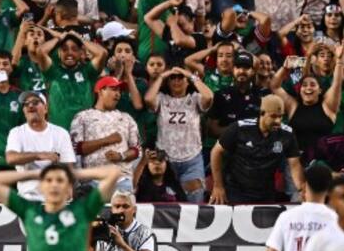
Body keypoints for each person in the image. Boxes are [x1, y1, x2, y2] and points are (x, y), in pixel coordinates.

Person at [210, 95, 304, 204]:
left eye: (281, 116)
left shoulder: (287, 134)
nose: (278, 121)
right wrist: (218, 186)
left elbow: (295, 165)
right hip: (236, 191)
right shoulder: (239, 128)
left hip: (266, 193)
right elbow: (216, 152)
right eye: (273, 116)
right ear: (262, 114)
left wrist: (301, 190)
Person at [144, 66, 214, 203]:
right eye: (173, 78)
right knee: (165, 203)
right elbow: (148, 99)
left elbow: (209, 96)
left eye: (180, 78)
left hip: (192, 160)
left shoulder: (195, 99)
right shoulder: (161, 99)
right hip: (165, 161)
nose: (177, 81)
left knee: (195, 202)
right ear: (168, 82)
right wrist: (162, 76)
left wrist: (190, 75)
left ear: (187, 81)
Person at [69, 75, 141, 190]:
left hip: (121, 179)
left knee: (123, 208)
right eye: (113, 89)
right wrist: (106, 140)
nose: (118, 94)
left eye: (119, 91)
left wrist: (121, 156)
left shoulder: (126, 118)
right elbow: (76, 148)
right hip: (92, 180)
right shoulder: (82, 116)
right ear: (100, 91)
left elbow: (136, 150)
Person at [5, 91, 76, 201]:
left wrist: (68, 196)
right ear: (23, 111)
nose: (30, 106)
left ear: (46, 108)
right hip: (28, 197)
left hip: (56, 197)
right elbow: (11, 158)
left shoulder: (61, 133)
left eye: (35, 102)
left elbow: (69, 169)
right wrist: (39, 155)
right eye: (26, 104)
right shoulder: (16, 132)